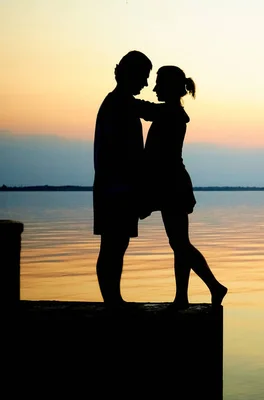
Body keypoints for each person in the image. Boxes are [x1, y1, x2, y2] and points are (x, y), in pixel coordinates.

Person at [141, 65, 227, 307]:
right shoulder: (171, 112)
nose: (154, 88)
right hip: (171, 185)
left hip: (173, 186)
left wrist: (124, 99)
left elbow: (145, 111)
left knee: (180, 243)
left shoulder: (172, 114)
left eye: (158, 83)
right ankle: (184, 296)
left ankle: (213, 287)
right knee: (179, 243)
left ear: (169, 86)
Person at [93, 50, 158, 306]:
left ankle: (113, 298)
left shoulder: (122, 103)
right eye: (143, 77)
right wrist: (174, 109)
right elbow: (150, 112)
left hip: (118, 189)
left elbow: (148, 111)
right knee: (112, 247)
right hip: (116, 190)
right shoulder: (119, 103)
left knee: (116, 246)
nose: (145, 84)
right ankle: (112, 300)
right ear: (129, 74)